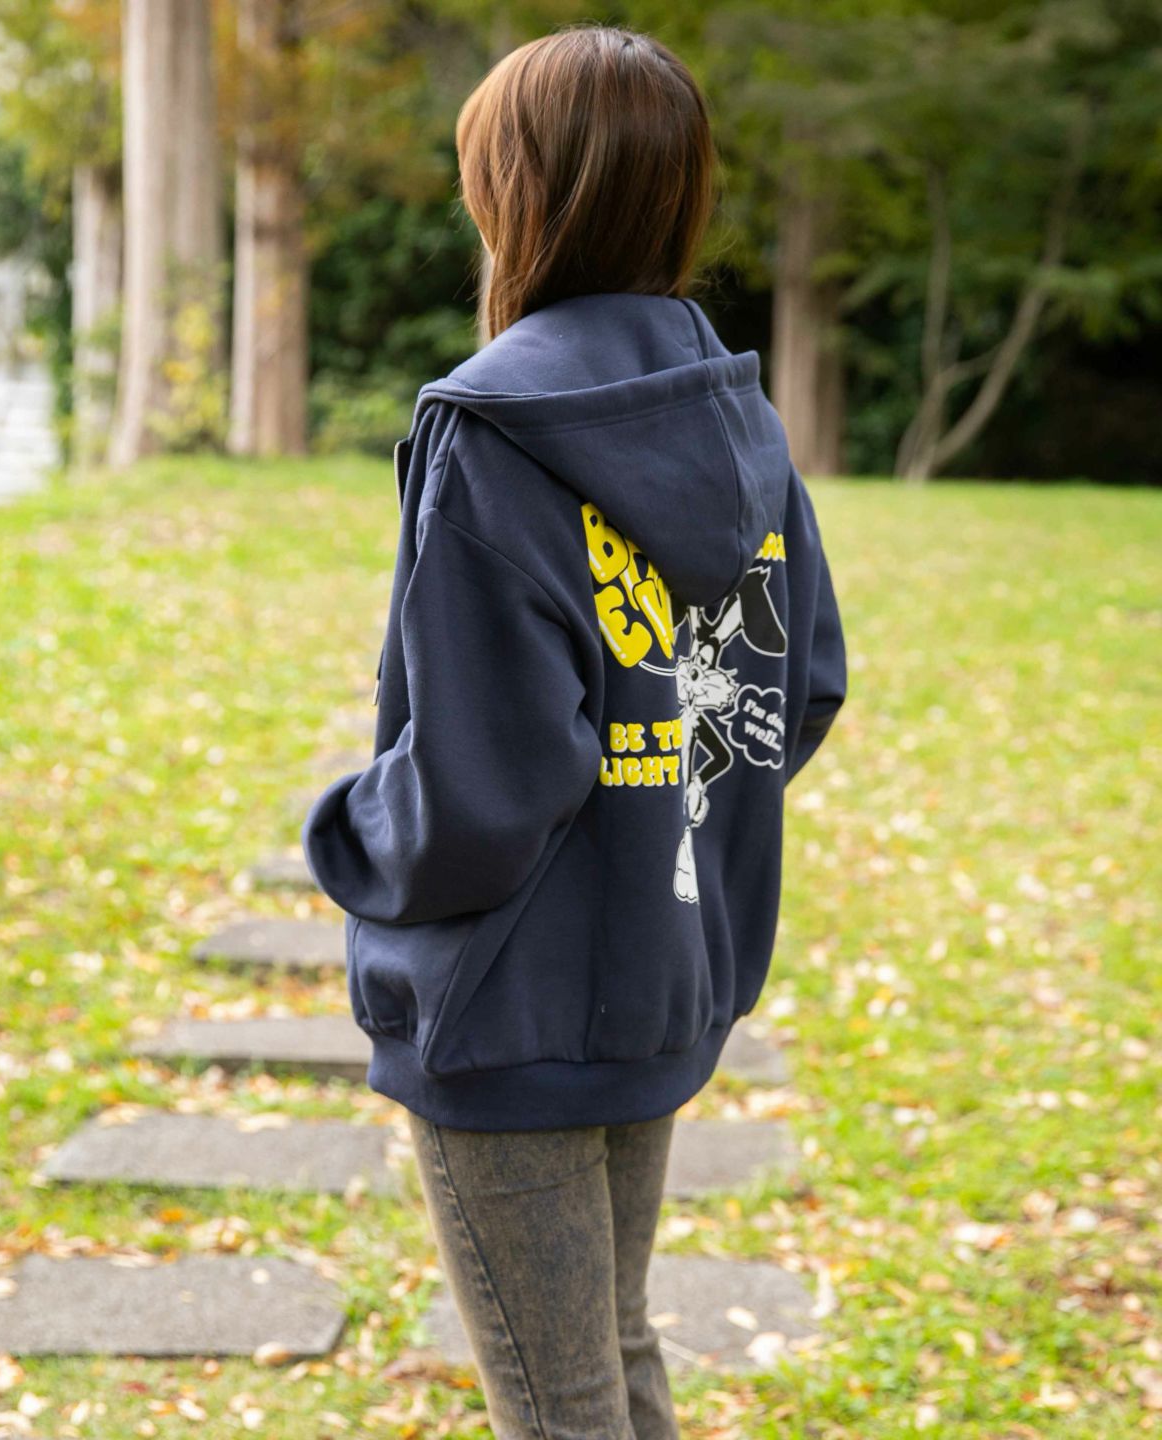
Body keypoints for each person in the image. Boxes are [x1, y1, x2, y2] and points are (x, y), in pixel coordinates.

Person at [302, 22, 848, 1440]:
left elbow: (479, 793)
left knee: (561, 1402)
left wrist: (347, 834)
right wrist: (663, 804)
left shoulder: (489, 432)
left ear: (515, 190)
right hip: (664, 971)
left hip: (508, 1013)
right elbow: (796, 690)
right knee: (609, 1352)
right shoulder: (737, 413)